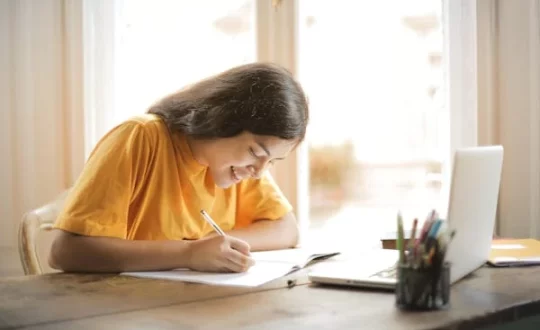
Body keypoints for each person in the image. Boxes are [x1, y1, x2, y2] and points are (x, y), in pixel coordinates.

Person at [48, 62, 309, 274]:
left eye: (271, 161)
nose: (259, 172)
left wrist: (214, 246)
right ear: (221, 120)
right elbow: (66, 251)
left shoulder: (240, 166)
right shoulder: (140, 137)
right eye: (255, 153)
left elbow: (287, 229)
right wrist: (189, 253)